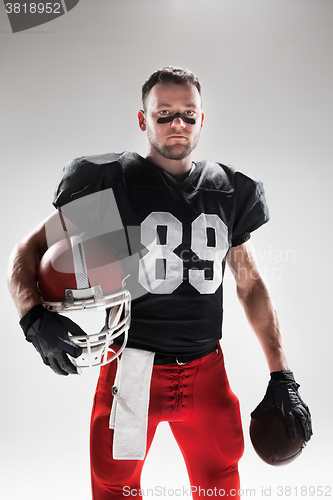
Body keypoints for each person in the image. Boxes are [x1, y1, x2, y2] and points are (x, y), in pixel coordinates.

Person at [7, 66, 312, 499]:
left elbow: (250, 285)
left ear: (202, 119)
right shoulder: (112, 185)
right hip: (132, 370)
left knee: (220, 483)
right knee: (115, 487)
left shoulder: (227, 190)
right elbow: (27, 250)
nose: (178, 124)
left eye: (188, 114)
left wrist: (282, 373)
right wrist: (33, 318)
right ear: (143, 119)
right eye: (164, 113)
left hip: (207, 371)